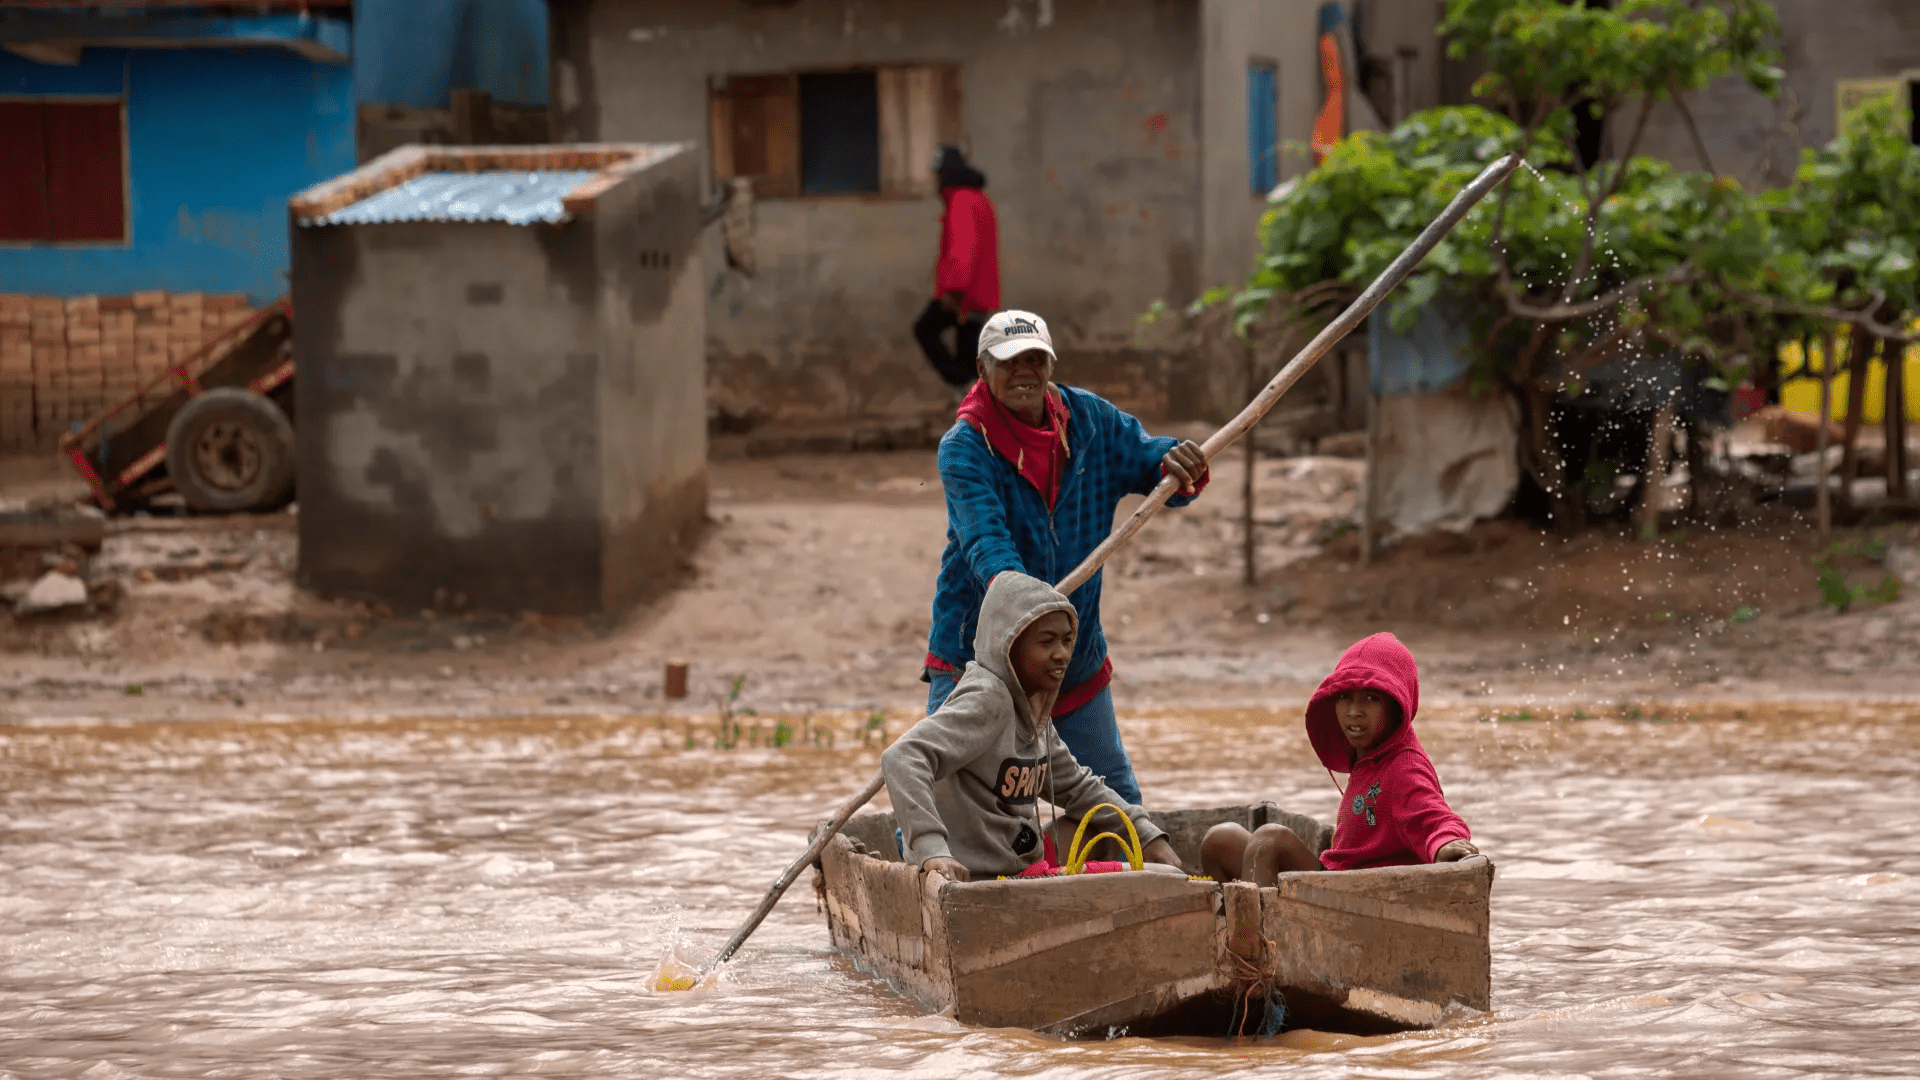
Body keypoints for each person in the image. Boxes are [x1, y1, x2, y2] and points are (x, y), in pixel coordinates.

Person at [925, 309, 1209, 807]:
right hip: (977, 660)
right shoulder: (965, 449)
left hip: (1069, 658)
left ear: (1050, 365)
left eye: (1035, 359)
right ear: (982, 369)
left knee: (1117, 807)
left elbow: (1151, 465)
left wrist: (1176, 461)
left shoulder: (1091, 423)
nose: (1024, 373)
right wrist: (1028, 610)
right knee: (944, 801)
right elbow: (987, 549)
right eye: (1009, 362)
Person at [883, 571, 1184, 881]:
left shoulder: (1032, 706)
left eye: (1067, 641)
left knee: (1103, 827)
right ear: (1009, 646)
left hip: (1020, 866)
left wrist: (1146, 834)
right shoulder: (988, 699)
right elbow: (903, 757)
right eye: (1046, 642)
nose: (1062, 655)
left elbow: (1078, 787)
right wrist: (932, 849)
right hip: (976, 878)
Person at [1201, 632, 1480, 885]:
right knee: (1220, 839)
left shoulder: (1405, 767)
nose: (1354, 711)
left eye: (1371, 698)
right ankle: (1236, 920)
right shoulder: (1367, 754)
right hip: (1333, 879)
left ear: (1397, 707)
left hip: (1357, 895)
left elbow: (1434, 818)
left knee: (1269, 839)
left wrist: (1445, 843)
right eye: (1345, 696)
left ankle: (1259, 938)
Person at [912, 145, 999, 392]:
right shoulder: (977, 198)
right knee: (968, 353)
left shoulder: (961, 200)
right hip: (978, 293)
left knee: (925, 330)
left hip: (963, 294)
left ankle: (964, 391)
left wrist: (954, 290)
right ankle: (970, 400)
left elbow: (964, 247)